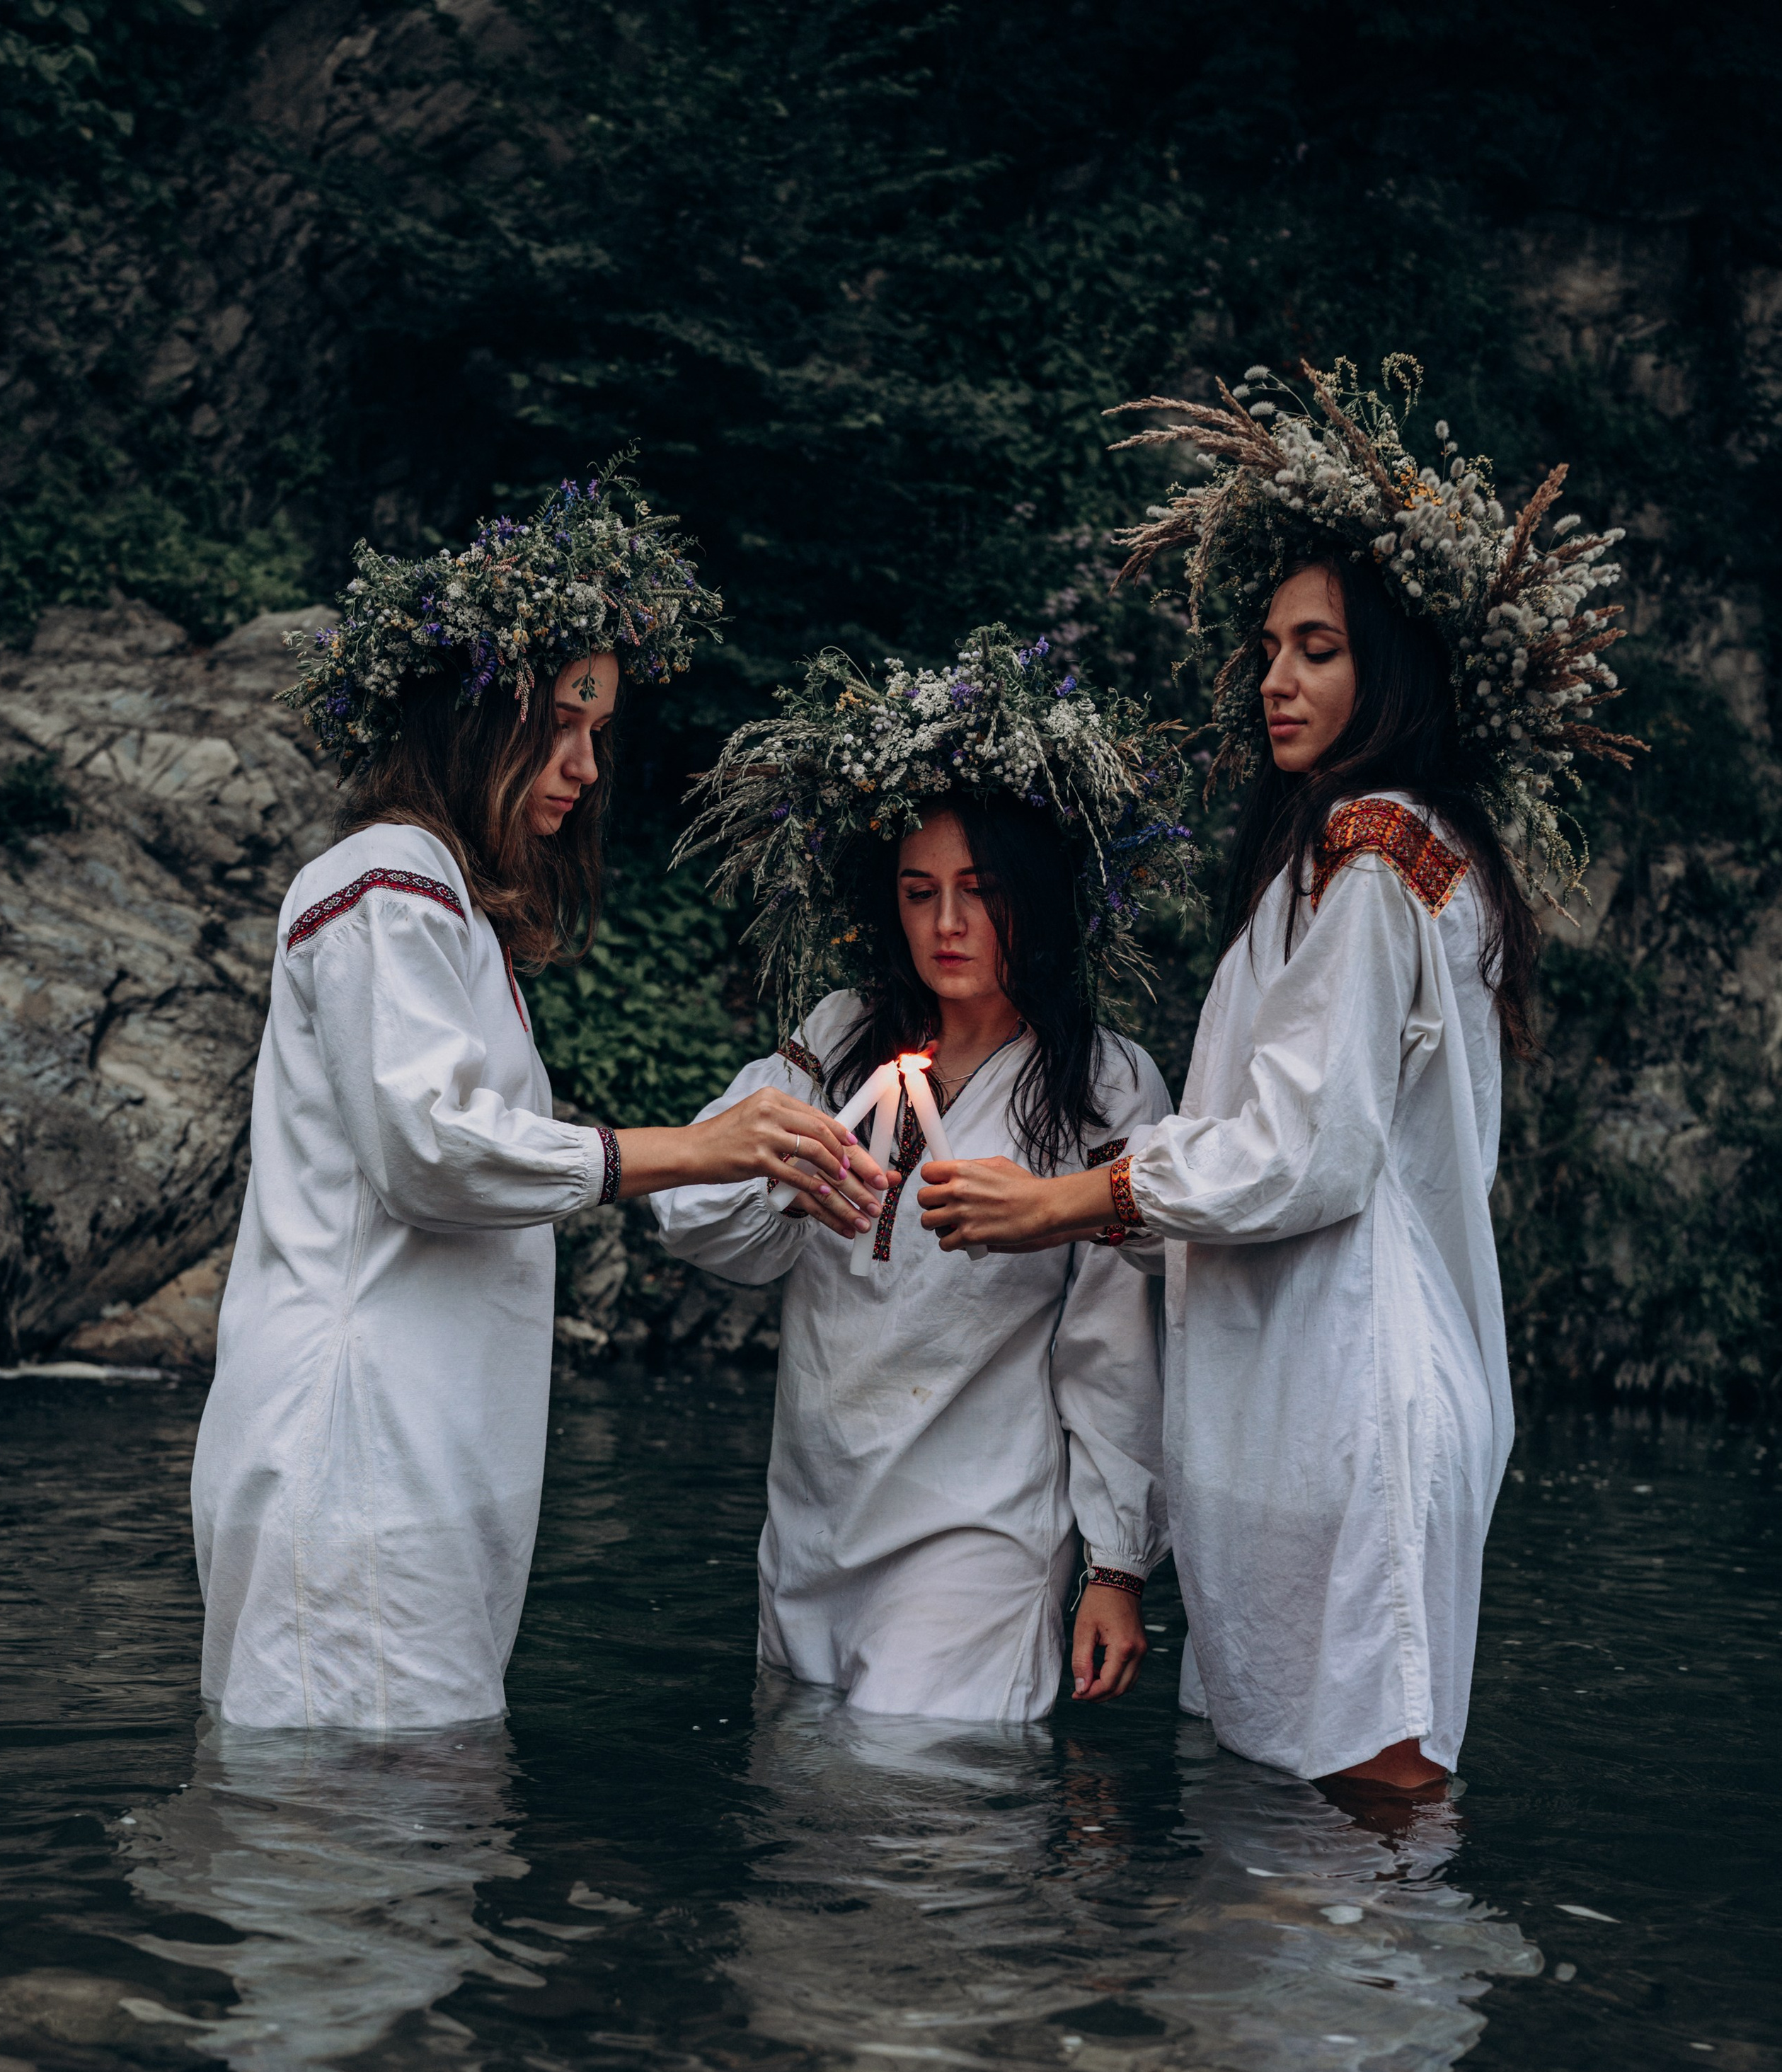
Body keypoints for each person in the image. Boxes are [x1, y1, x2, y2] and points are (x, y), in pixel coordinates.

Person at [919, 363, 1640, 1788]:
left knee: (1372, 1817)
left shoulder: (1373, 853)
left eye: (1314, 646)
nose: (1273, 678)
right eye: (1265, 647)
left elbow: (1303, 1146)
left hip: (1354, 1394)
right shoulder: (1352, 859)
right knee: (1293, 1861)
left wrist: (1064, 1202)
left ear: (1390, 660)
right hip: (1296, 1397)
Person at [192, 473, 887, 1734]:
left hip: (424, 1465)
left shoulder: (453, 915)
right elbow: (430, 1149)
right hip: (358, 1459)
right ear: (476, 718)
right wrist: (692, 1148)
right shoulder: (385, 880)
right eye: (562, 722)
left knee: (411, 1857)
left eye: (599, 732)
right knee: (348, 1849)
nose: (583, 765)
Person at [653, 626, 1194, 1720]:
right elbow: (697, 1221)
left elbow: (1113, 1343)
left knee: (927, 1824)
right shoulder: (839, 1035)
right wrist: (786, 1174)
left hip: (976, 1534)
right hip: (815, 1517)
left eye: (979, 889)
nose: (947, 924)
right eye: (917, 891)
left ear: (1034, 896)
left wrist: (1120, 1566)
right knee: (810, 1842)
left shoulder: (1100, 1082)